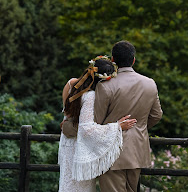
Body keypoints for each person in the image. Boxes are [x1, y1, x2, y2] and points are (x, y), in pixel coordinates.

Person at [62, 40, 163, 192]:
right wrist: (137, 128)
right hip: (137, 151)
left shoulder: (106, 85)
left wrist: (68, 128)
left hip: (111, 153)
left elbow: (94, 123)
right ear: (133, 60)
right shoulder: (150, 83)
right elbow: (156, 115)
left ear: (113, 60)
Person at [58, 56, 137, 192]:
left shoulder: (71, 84)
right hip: (80, 146)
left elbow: (68, 116)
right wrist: (117, 127)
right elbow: (87, 129)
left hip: (66, 142)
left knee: (67, 184)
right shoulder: (90, 96)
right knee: (79, 187)